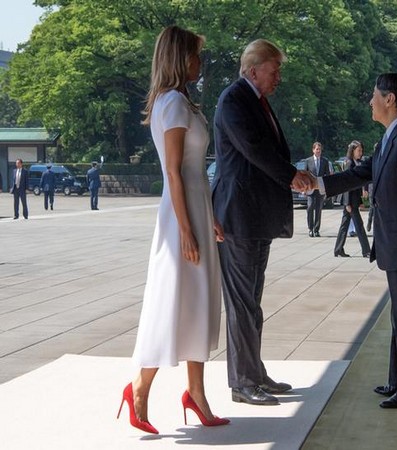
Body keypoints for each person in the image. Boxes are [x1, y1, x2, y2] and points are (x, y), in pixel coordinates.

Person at [118, 26, 229, 435]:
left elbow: (194, 172)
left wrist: (208, 216)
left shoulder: (179, 102)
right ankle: (139, 388)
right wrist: (186, 228)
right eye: (197, 55)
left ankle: (196, 394)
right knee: (173, 300)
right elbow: (174, 171)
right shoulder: (175, 105)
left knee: (197, 300)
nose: (201, 62)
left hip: (194, 208)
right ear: (181, 59)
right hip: (181, 212)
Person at [311, 73, 397, 408]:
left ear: (390, 99)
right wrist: (318, 185)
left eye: (374, 95)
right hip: (396, 243)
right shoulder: (389, 138)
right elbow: (360, 173)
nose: (370, 101)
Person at [212, 38, 311, 406]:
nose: (278, 77)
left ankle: (254, 373)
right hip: (238, 218)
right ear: (253, 70)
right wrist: (291, 176)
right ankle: (242, 381)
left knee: (251, 301)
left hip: (254, 218)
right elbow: (255, 149)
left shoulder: (255, 101)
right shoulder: (234, 100)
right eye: (274, 70)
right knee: (242, 304)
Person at [333, 140, 370, 258]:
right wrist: (347, 203)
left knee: (345, 225)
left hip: (354, 200)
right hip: (350, 201)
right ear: (352, 150)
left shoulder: (357, 162)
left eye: (361, 150)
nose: (361, 153)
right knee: (359, 225)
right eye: (359, 150)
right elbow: (347, 184)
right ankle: (366, 251)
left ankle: (338, 249)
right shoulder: (349, 163)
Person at [305, 141, 332, 237]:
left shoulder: (325, 161)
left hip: (320, 188)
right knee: (310, 207)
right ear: (313, 150)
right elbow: (305, 175)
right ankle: (310, 228)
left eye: (320, 149)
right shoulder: (308, 161)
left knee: (318, 209)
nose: (318, 151)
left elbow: (327, 175)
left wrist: (327, 189)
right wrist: (305, 189)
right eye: (317, 149)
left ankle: (316, 230)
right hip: (310, 188)